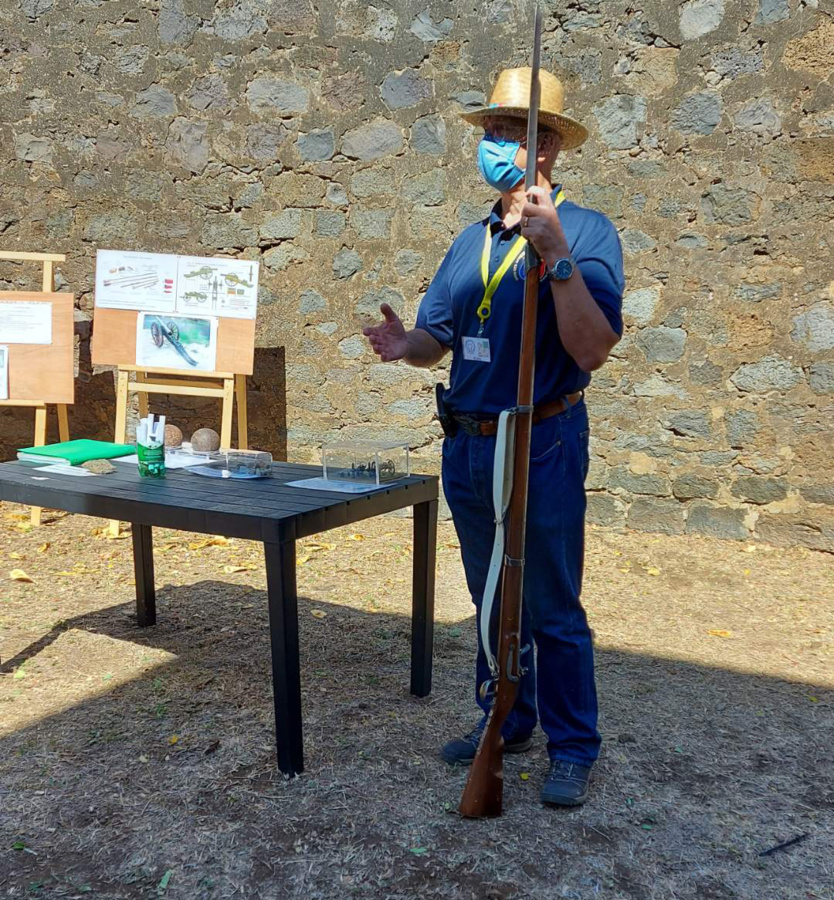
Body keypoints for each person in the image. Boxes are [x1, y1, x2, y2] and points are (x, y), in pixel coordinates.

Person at [363, 67, 625, 807]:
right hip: (470, 442)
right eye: (490, 131)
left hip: (540, 440)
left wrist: (555, 252)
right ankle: (504, 719)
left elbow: (592, 349)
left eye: (509, 132)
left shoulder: (589, 232)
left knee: (549, 600)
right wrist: (400, 343)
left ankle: (573, 745)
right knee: (487, 593)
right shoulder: (469, 240)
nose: (494, 144)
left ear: (547, 149)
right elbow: (436, 340)